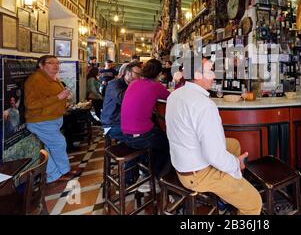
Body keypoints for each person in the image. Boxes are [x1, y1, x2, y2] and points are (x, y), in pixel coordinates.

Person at [165, 57, 262, 215]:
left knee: (233, 144)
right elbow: (214, 155)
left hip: (182, 164)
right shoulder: (204, 105)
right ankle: (231, 189)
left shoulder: (175, 95)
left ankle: (226, 197)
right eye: (210, 71)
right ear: (197, 74)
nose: (214, 75)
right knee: (253, 203)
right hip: (198, 175)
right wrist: (236, 165)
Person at [24, 55, 77, 185]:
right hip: (41, 120)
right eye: (51, 63)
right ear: (41, 65)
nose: (55, 65)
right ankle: (60, 173)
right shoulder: (35, 80)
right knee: (59, 143)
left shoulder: (51, 78)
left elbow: (52, 96)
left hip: (52, 119)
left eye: (57, 63)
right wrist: (58, 97)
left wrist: (64, 97)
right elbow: (30, 104)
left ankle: (56, 173)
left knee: (51, 147)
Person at [121, 59, 171, 178]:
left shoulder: (134, 83)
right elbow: (172, 98)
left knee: (156, 137)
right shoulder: (156, 86)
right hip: (141, 137)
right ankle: (157, 177)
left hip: (125, 134)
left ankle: (143, 171)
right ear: (159, 74)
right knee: (169, 143)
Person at [101, 62, 141, 142]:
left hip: (124, 121)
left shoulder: (128, 84)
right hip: (112, 123)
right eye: (137, 74)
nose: (139, 77)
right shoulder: (114, 84)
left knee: (148, 130)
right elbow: (123, 100)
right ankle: (137, 152)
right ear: (129, 73)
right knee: (141, 136)